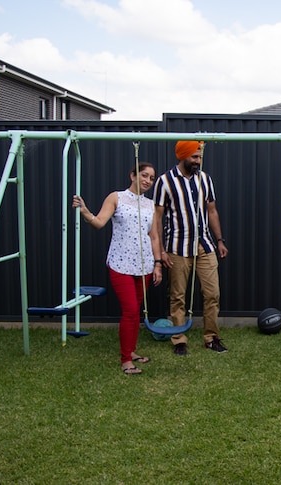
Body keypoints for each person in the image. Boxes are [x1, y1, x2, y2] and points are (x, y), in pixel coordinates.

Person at [72, 162, 164, 375]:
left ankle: (131, 351)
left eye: (151, 178)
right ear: (132, 175)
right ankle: (126, 360)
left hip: (145, 265)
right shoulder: (116, 197)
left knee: (136, 311)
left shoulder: (151, 205)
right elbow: (99, 223)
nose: (148, 181)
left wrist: (158, 264)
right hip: (120, 264)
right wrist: (85, 211)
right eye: (144, 175)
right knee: (130, 310)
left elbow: (154, 236)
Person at [153, 141, 228, 356]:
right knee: (178, 296)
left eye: (199, 157)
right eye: (194, 157)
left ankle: (211, 338)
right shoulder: (165, 181)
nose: (197, 161)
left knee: (212, 293)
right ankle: (179, 340)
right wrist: (161, 252)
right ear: (183, 156)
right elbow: (157, 218)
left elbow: (211, 211)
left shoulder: (205, 179)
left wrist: (220, 240)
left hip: (205, 244)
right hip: (177, 246)